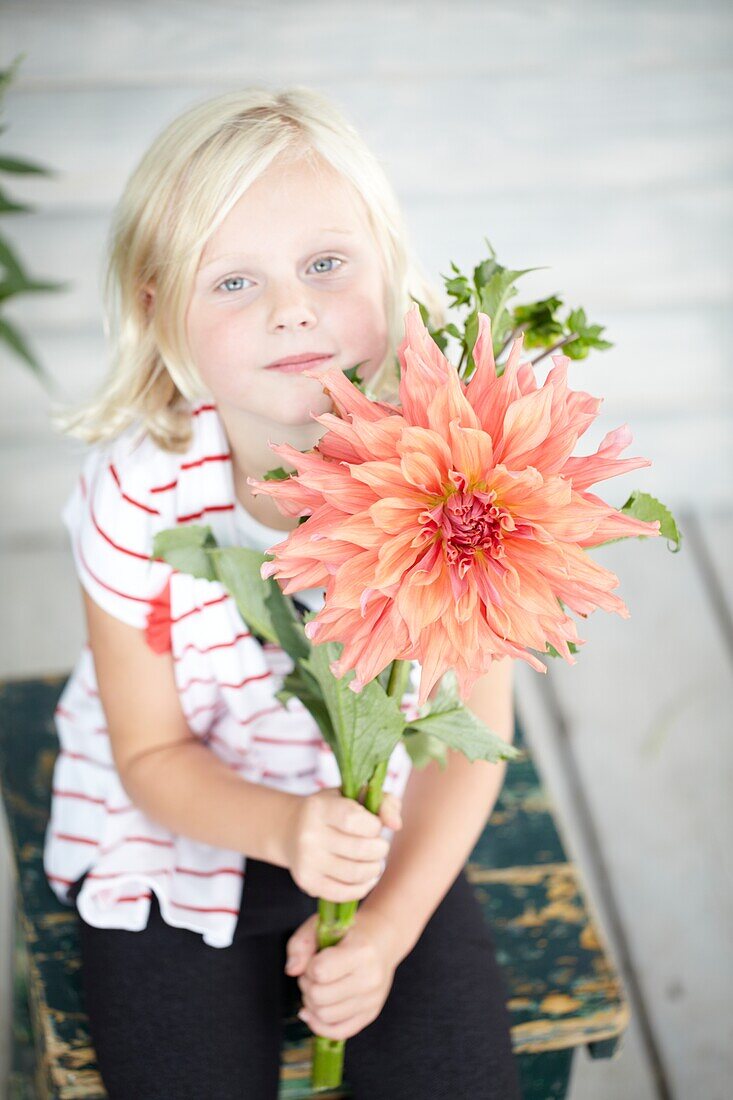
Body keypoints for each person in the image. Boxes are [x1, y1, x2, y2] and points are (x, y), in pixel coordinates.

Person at [43, 86, 523, 1099]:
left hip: (379, 830)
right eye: (232, 281)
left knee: (455, 1076)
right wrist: (285, 829)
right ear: (156, 306)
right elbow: (151, 755)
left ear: (388, 266)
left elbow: (472, 730)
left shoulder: (457, 477)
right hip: (181, 830)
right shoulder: (139, 496)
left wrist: (387, 925)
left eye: (323, 264)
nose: (291, 307)